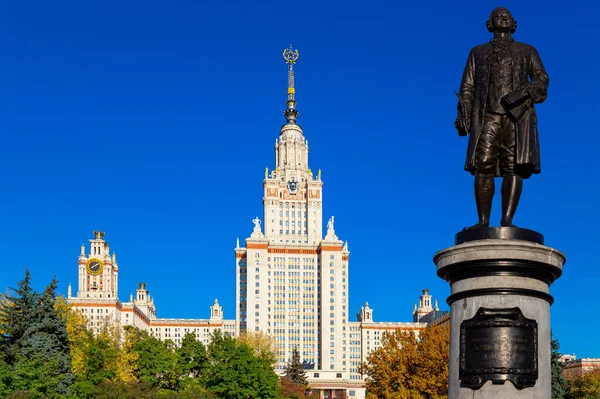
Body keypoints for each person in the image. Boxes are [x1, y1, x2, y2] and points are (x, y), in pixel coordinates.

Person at [455, 7, 549, 229]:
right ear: (490, 23)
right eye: (498, 15)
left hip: (517, 117)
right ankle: (483, 222)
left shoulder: (527, 50)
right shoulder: (477, 52)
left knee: (513, 166)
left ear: (514, 23)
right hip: (487, 115)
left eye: (507, 16)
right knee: (483, 164)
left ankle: (507, 220)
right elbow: (468, 86)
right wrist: (464, 114)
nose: (503, 17)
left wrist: (523, 93)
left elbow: (541, 78)